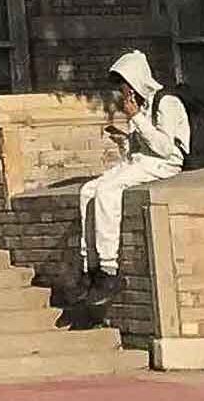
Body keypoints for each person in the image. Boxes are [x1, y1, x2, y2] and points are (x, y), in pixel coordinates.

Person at [77, 49, 191, 296]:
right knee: (88, 191)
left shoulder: (166, 102)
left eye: (125, 83)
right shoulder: (139, 106)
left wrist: (137, 118)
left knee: (108, 190)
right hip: (142, 161)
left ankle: (109, 268)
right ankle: (91, 266)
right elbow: (138, 150)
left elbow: (165, 148)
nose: (123, 91)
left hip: (165, 164)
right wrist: (125, 139)